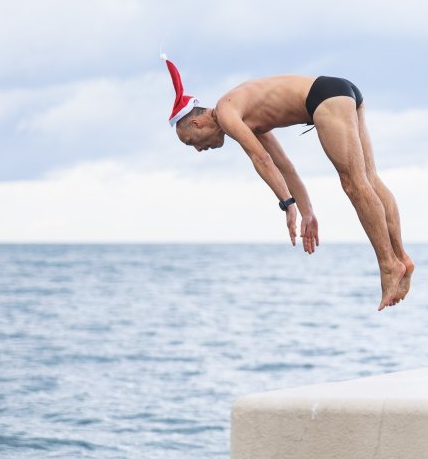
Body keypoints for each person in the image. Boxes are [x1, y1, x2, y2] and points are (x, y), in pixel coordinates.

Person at [162, 56, 414, 311]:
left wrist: (287, 204)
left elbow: (261, 159)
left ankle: (388, 265)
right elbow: (284, 166)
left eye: (190, 142)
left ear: (196, 123)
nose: (197, 149)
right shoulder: (241, 113)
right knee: (369, 178)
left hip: (325, 98)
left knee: (353, 184)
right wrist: (307, 212)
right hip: (340, 91)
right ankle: (401, 258)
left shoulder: (226, 112)